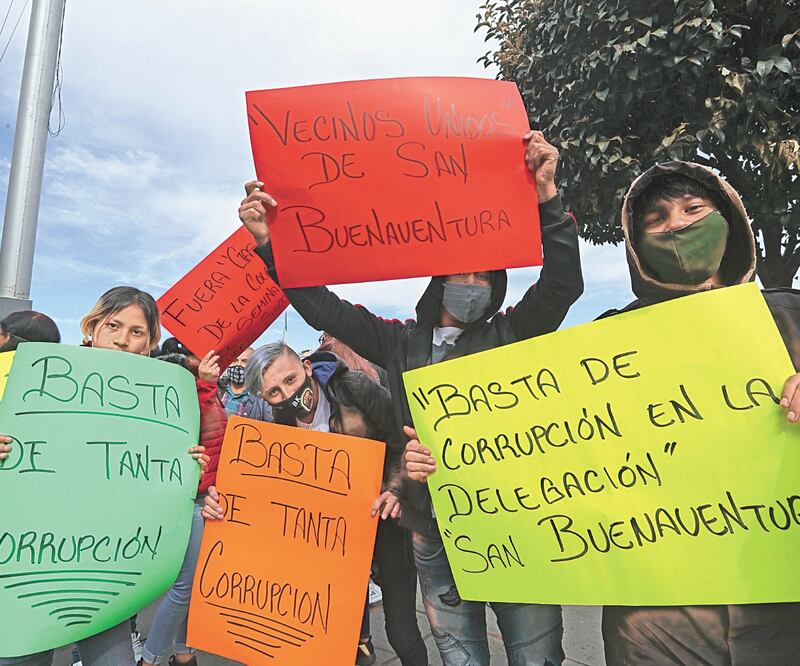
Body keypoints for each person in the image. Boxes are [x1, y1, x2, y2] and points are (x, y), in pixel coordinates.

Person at [238, 131, 583, 665]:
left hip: (512, 524)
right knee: (459, 654)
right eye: (461, 274)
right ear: (439, 282)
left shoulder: (510, 334)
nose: (472, 284)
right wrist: (269, 245)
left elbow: (562, 286)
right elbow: (325, 310)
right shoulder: (399, 343)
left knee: (535, 654)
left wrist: (547, 198)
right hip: (432, 532)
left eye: (484, 277)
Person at [586, 161, 800, 665]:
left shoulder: (791, 315)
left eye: (693, 209)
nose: (676, 225)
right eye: (656, 218)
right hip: (656, 622)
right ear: (636, 246)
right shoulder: (605, 345)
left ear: (728, 220)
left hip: (783, 606)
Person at [0, 287, 208, 666]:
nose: (122, 340)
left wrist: (187, 468)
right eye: (114, 325)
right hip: (31, 562)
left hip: (103, 571)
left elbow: (150, 479)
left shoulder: (162, 406)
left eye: (136, 332)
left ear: (149, 343)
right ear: (92, 327)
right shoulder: (41, 378)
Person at [202, 342, 413, 666]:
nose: (288, 394)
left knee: (401, 629)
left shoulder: (354, 388)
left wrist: (395, 490)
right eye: (274, 392)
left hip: (383, 516)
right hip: (332, 534)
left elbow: (401, 440)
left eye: (290, 380)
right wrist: (225, 501)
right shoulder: (280, 418)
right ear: (264, 398)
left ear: (307, 368)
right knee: (335, 624)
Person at [139, 338, 226, 666]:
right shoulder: (187, 388)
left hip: (206, 496)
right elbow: (188, 424)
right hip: (189, 499)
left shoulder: (208, 390)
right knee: (185, 588)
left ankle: (184, 653)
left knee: (192, 587)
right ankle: (150, 659)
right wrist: (204, 384)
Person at [217, 347, 273, 421]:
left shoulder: (263, 400)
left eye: (245, 361)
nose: (238, 365)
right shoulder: (216, 389)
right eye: (234, 361)